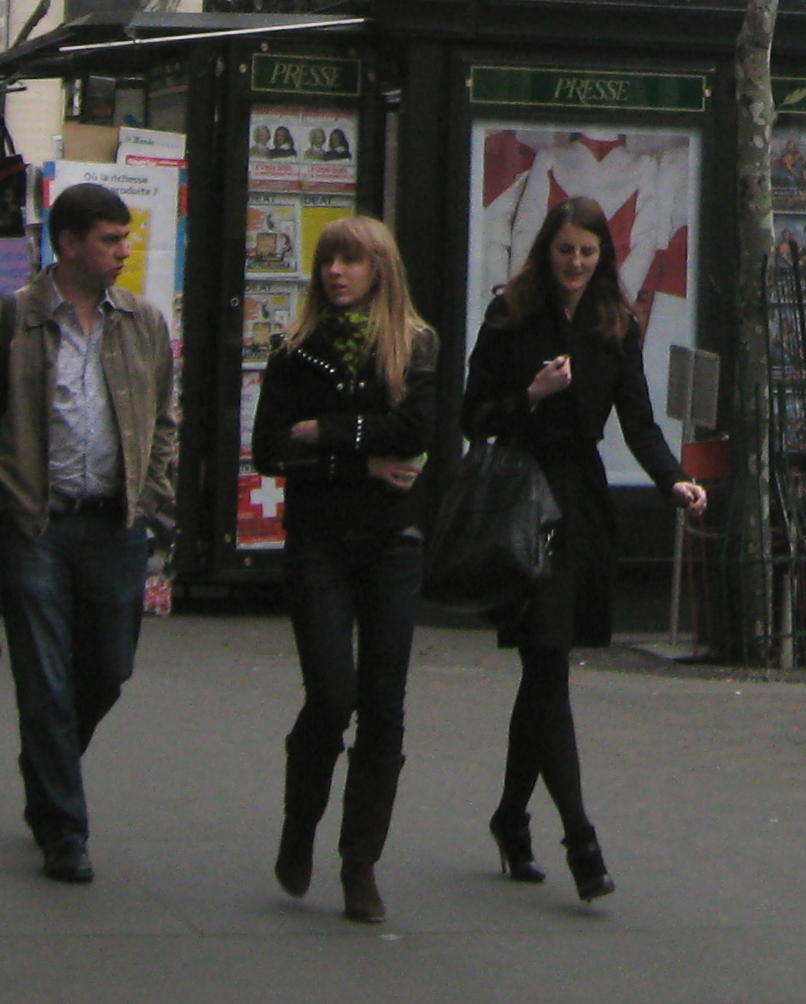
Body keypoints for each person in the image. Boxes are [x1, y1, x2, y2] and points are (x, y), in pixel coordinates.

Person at [460, 194, 705, 904]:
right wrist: (530, 396)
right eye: (565, 250)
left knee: (546, 663)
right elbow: (474, 414)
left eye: (588, 253)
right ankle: (580, 839)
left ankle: (511, 817)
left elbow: (638, 421)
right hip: (522, 495)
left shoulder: (615, 324)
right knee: (546, 662)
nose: (575, 263)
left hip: (580, 502)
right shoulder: (510, 314)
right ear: (548, 249)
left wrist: (676, 481)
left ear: (604, 257)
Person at [0, 179, 176, 887]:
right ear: (70, 244)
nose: (123, 250)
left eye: (126, 237)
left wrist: (153, 494)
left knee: (108, 667)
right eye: (110, 239)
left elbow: (163, 416)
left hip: (115, 521)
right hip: (38, 522)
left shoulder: (142, 321)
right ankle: (63, 829)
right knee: (45, 680)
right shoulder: (9, 319)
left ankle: (46, 758)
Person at [250, 217, 438, 923]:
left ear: (379, 271)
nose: (335, 272)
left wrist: (327, 430)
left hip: (392, 539)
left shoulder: (415, 345)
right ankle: (301, 825)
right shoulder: (296, 353)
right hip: (319, 539)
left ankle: (360, 862)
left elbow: (416, 431)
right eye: (329, 260)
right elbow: (270, 447)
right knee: (332, 694)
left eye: (351, 261)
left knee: (384, 703)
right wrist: (358, 457)